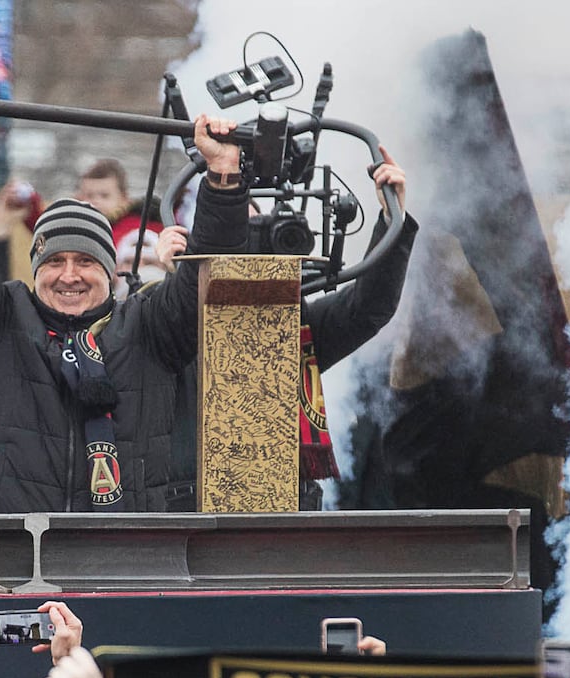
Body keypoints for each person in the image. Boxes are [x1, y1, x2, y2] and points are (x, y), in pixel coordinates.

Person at [0, 83, 246, 524]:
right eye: (54, 261)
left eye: (85, 261)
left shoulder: (149, 327)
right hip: (17, 560)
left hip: (128, 564)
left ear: (110, 270)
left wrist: (222, 176)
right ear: (35, 269)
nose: (69, 275)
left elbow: (210, 274)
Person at [155, 147, 416, 510]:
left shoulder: (293, 323)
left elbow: (367, 308)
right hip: (194, 513)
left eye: (253, 234)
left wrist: (392, 217)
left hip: (282, 513)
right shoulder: (165, 322)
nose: (243, 250)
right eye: (228, 235)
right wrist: (175, 277)